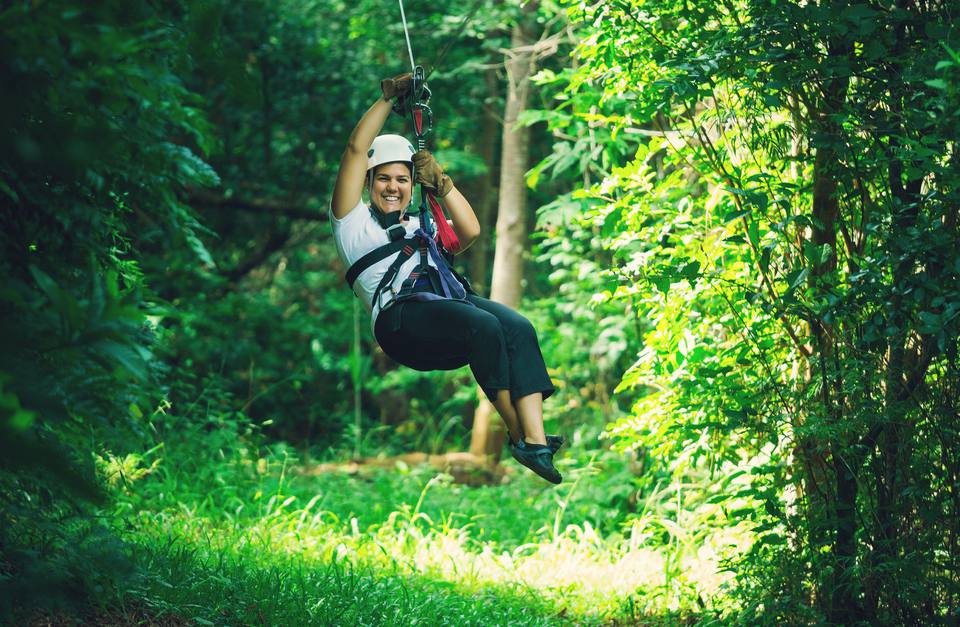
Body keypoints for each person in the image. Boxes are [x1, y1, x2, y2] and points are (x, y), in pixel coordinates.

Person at [330, 73, 564, 484]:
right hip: (401, 323)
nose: (392, 187)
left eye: (402, 179)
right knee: (485, 325)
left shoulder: (423, 227)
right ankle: (518, 435)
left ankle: (537, 441)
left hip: (444, 315)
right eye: (383, 178)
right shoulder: (352, 225)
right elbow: (353, 150)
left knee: (518, 328)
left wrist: (441, 183)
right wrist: (388, 99)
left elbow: (471, 231)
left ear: (411, 185)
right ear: (368, 184)